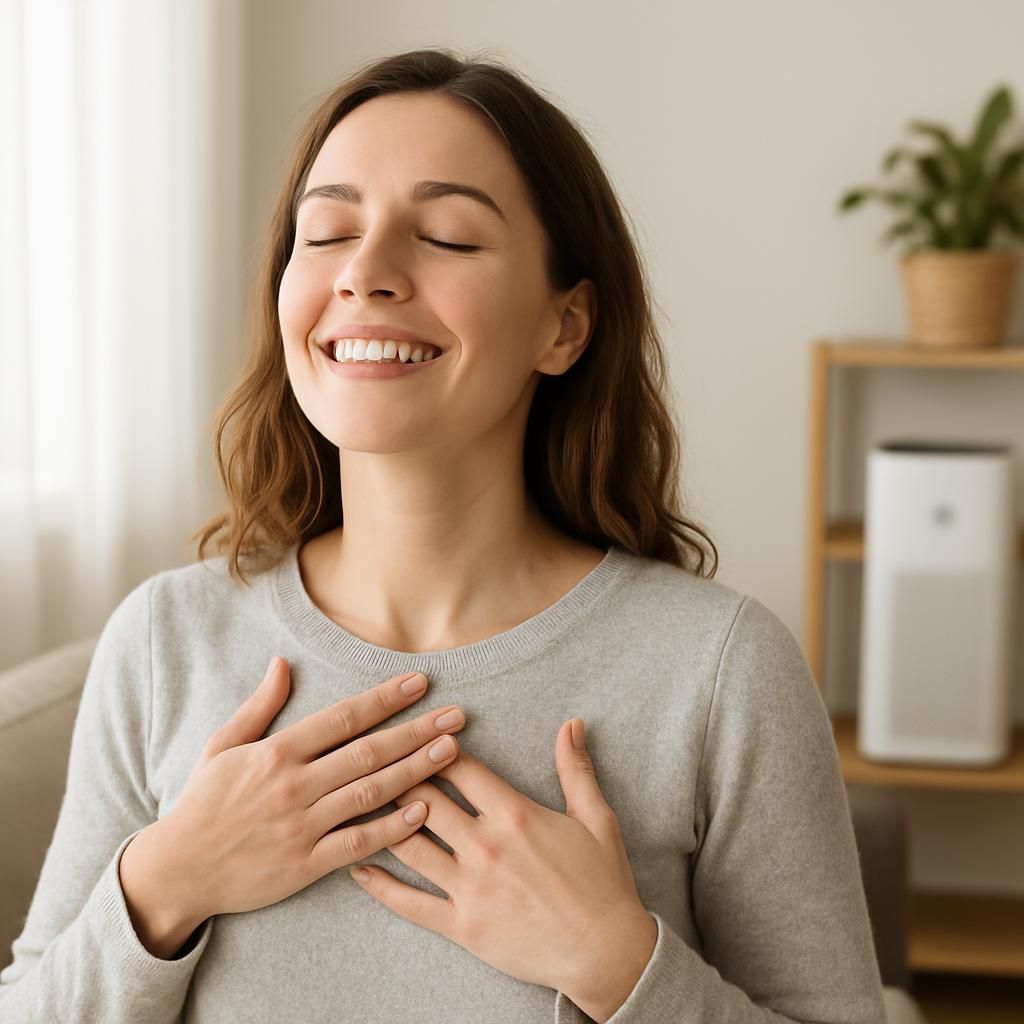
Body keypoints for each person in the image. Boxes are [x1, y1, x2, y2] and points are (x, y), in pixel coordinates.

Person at [0, 47, 886, 1024]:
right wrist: (164, 881)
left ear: (564, 326)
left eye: (447, 237)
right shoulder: (163, 641)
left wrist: (616, 964)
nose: (365, 273)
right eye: (327, 232)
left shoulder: (720, 670)